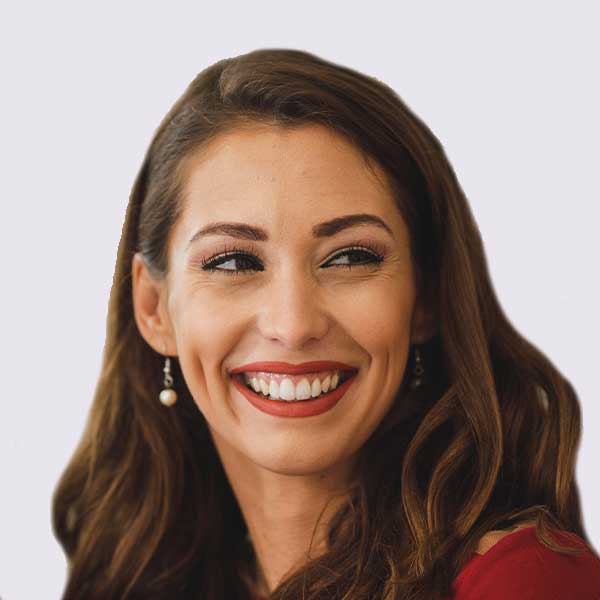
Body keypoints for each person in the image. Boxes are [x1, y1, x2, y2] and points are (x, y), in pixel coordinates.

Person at [52, 48, 600, 599]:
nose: (293, 325)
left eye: (350, 257)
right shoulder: (132, 581)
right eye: (234, 262)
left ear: (427, 297)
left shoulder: (523, 582)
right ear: (154, 307)